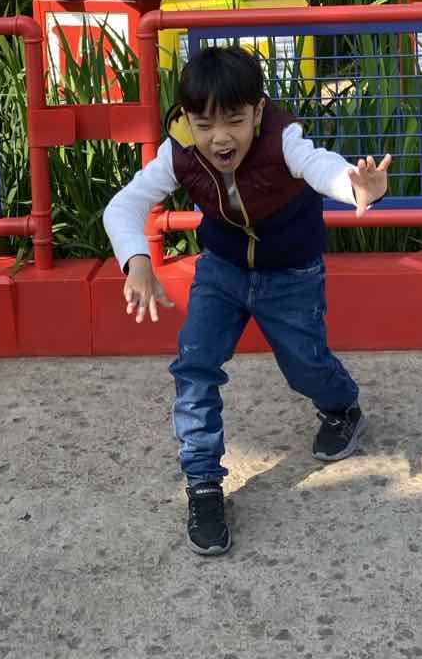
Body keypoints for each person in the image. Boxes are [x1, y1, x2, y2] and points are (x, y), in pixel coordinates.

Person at [102, 42, 391, 556]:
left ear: (257, 111)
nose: (219, 137)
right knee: (194, 365)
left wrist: (356, 186)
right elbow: (123, 206)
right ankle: (204, 486)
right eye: (204, 122)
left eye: (234, 120)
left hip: (290, 275)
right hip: (222, 272)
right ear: (188, 119)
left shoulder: (284, 138)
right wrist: (137, 261)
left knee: (304, 366)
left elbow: (319, 166)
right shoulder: (179, 152)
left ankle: (342, 407)